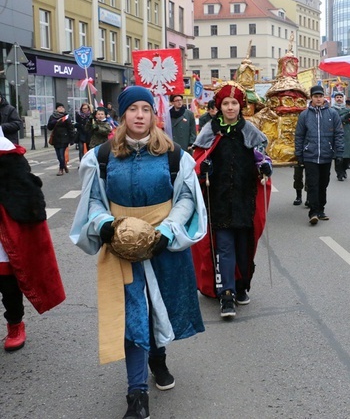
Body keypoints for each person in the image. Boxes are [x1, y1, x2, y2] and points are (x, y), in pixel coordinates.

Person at [70, 86, 207, 419]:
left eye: (146, 109)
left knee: (158, 306)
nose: (140, 116)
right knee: (133, 313)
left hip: (163, 243)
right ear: (123, 114)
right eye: (133, 109)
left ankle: (157, 358)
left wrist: (167, 230)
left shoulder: (175, 155)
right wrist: (104, 224)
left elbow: (187, 198)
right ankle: (137, 393)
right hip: (121, 245)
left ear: (153, 114)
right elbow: (93, 199)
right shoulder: (101, 156)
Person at [192, 81, 272, 318]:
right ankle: (226, 294)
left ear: (241, 106)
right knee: (224, 247)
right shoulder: (208, 133)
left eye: (234, 103)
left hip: (245, 200)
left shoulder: (251, 133)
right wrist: (204, 169)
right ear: (218, 106)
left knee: (243, 247)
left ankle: (240, 286)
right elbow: (196, 163)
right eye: (225, 103)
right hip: (218, 201)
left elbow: (262, 161)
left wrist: (265, 169)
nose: (230, 107)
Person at [0, 127, 65, 352]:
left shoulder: (8, 155)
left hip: (3, 230)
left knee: (7, 283)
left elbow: (25, 192)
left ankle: (15, 323)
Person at [294, 84, 344, 225]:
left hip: (326, 155)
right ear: (311, 98)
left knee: (323, 183)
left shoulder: (332, 113)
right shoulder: (304, 115)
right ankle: (313, 212)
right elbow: (299, 136)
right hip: (310, 155)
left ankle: (321, 209)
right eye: (316, 96)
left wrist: (339, 153)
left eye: (320, 96)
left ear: (324, 97)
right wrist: (299, 154)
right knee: (313, 183)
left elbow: (339, 134)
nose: (318, 99)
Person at [330, 90, 350, 181]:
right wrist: (343, 118)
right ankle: (339, 173)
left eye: (340, 97)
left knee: (348, 156)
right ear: (335, 99)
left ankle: (344, 169)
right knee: (338, 155)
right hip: (337, 133)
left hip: (347, 132)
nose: (339, 99)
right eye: (337, 97)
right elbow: (334, 120)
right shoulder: (331, 110)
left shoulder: (348, 109)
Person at [47, 102, 76, 176]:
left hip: (64, 138)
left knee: (61, 154)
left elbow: (70, 128)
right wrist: (55, 121)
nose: (61, 109)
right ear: (56, 109)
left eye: (62, 107)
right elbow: (49, 127)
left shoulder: (66, 117)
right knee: (58, 156)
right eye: (59, 107)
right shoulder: (52, 116)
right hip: (56, 138)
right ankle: (64, 166)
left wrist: (72, 139)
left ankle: (61, 169)